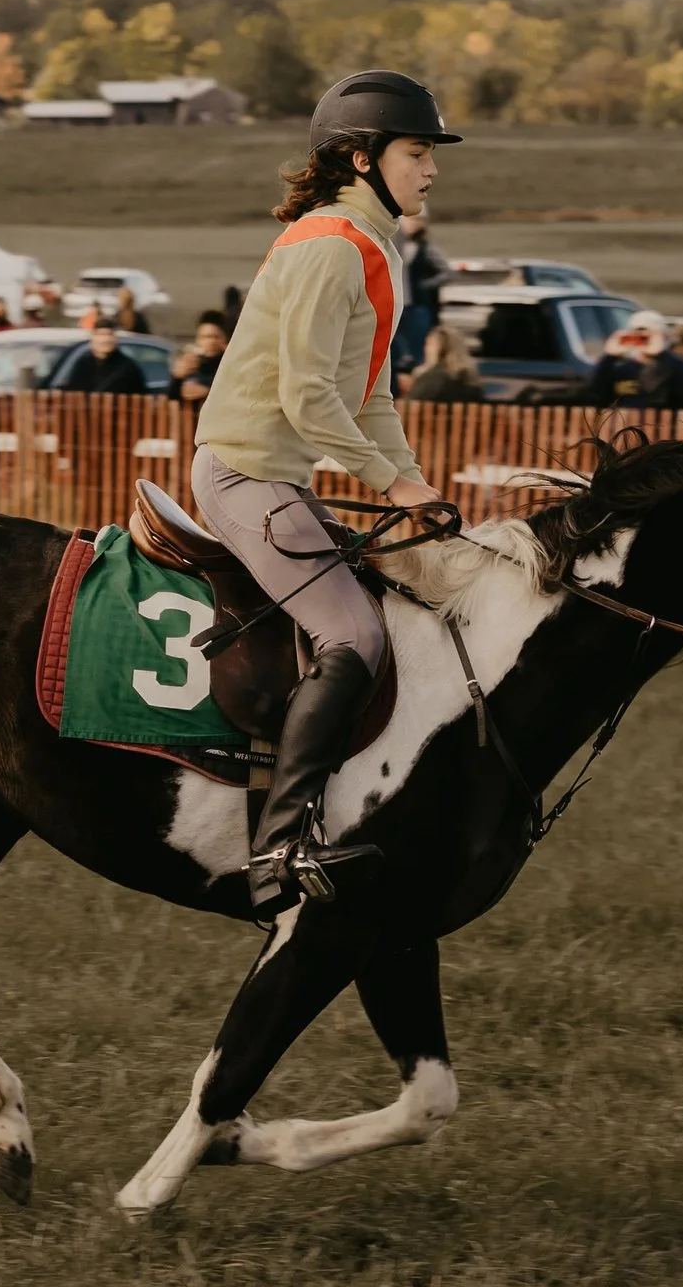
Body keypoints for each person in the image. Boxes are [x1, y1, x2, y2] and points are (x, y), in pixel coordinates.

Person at [191, 69, 458, 916]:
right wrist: (393, 481)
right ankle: (277, 844)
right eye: (418, 152)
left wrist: (414, 484)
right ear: (360, 156)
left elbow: (370, 397)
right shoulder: (332, 244)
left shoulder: (373, 246)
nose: (431, 169)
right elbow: (309, 396)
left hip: (282, 476)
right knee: (354, 633)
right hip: (242, 473)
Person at [389, 211, 450, 379]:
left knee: (419, 349)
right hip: (396, 303)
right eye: (413, 219)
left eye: (420, 220)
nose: (416, 224)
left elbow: (446, 272)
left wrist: (424, 286)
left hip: (416, 305)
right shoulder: (393, 243)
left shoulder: (424, 247)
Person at [583, 310, 668, 407]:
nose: (643, 339)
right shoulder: (622, 369)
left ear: (663, 337)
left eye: (648, 337)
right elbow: (593, 395)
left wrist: (661, 355)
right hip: (623, 420)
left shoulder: (674, 367)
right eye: (637, 336)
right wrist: (609, 357)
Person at [51, 324, 152, 394]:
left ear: (116, 338)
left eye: (109, 335)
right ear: (92, 338)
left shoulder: (128, 368)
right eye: (101, 334)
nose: (105, 340)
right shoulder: (83, 364)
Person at [404, 323, 487, 402]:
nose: (425, 349)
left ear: (439, 350)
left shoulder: (430, 379)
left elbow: (409, 407)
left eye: (429, 344)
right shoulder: (470, 379)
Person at [169, 310, 229, 402]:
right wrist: (177, 378)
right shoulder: (191, 364)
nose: (210, 342)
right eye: (204, 337)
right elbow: (171, 398)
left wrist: (207, 392)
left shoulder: (229, 365)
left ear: (225, 339)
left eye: (215, 337)